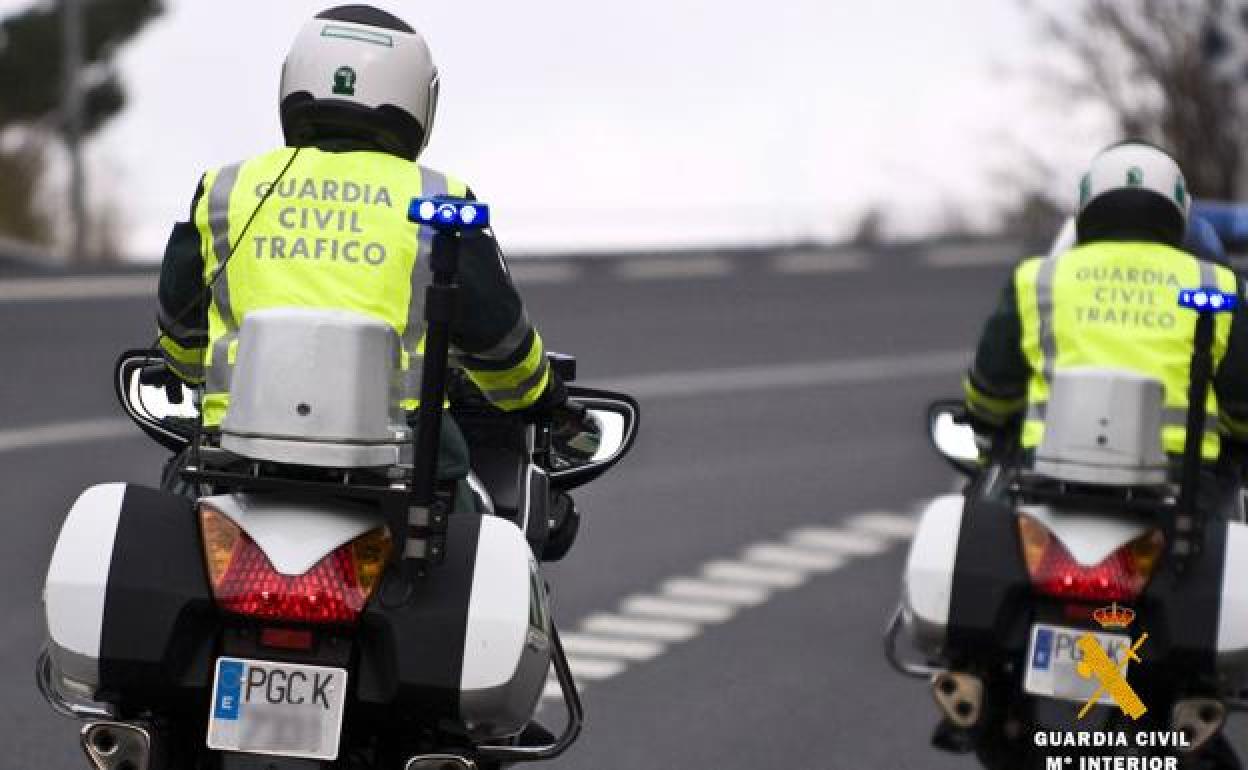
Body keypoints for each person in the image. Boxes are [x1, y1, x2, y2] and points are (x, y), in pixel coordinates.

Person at [154, 4, 599, 512]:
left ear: (293, 80)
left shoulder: (226, 189)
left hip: (232, 455)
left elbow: (179, 328)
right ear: (418, 99)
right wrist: (543, 398)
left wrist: (195, 376)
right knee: (491, 546)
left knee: (175, 515)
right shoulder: (442, 199)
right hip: (405, 466)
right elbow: (501, 344)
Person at [964, 140, 1248, 467]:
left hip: (1045, 477)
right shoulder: (1216, 285)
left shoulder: (1039, 277)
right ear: (1180, 208)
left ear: (1086, 203)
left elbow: (991, 390)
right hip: (1182, 485)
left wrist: (987, 421)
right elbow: (1242, 404)